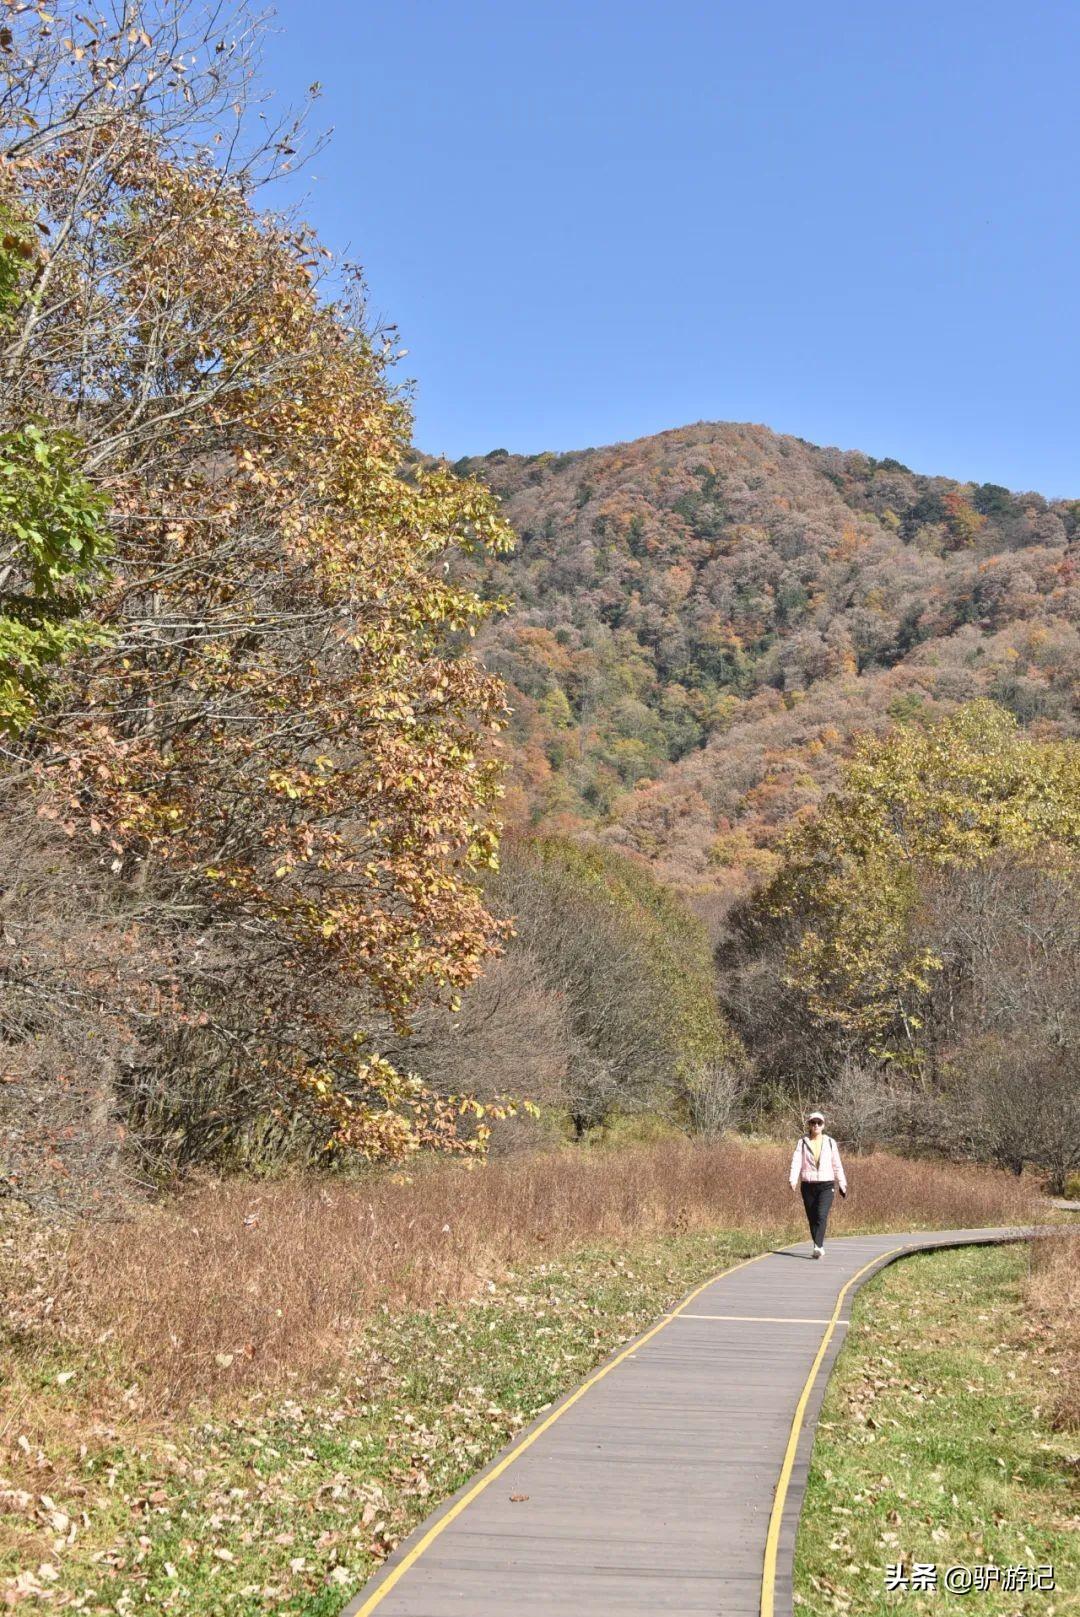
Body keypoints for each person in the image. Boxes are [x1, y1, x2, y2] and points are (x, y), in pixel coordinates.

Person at [789, 1110, 847, 1258]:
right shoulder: (802, 1142)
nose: (816, 1125)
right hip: (808, 1185)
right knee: (812, 1217)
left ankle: (818, 1246)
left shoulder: (829, 1142)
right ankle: (818, 1244)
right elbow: (796, 1162)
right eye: (813, 1122)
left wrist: (842, 1182)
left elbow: (837, 1164)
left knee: (821, 1215)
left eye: (819, 1123)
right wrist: (793, 1179)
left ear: (823, 1125)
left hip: (826, 1184)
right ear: (809, 1124)